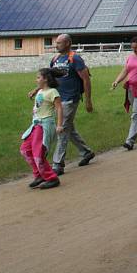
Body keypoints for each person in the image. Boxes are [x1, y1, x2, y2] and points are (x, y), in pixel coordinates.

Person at [49, 33, 95, 174]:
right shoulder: (55, 59)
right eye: (56, 43)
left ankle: (58, 164)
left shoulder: (75, 58)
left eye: (59, 43)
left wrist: (88, 100)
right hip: (58, 99)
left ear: (68, 43)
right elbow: (50, 78)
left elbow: (86, 80)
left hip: (71, 99)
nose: (56, 45)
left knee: (62, 129)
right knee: (69, 129)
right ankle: (86, 152)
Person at [20, 68, 64, 189]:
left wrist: (59, 125)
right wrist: (34, 91)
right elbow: (40, 90)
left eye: (38, 77)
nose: (36, 79)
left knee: (38, 152)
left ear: (46, 79)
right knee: (25, 150)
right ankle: (39, 175)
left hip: (45, 125)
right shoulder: (41, 90)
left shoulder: (53, 92)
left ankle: (52, 178)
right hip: (35, 125)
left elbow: (59, 108)